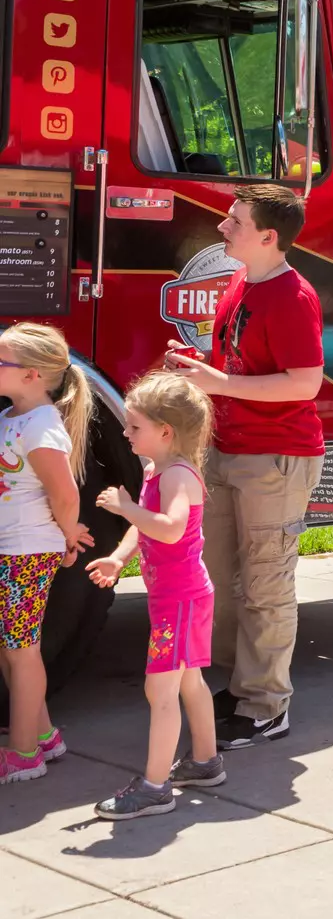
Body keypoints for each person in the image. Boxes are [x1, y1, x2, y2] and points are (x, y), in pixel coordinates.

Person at [165, 183, 326, 749]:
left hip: (275, 459)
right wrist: (197, 369)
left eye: (234, 221)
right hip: (230, 452)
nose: (221, 228)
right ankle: (241, 686)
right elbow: (237, 362)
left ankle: (266, 705)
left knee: (265, 584)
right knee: (222, 579)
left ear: (268, 236)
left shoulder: (293, 296)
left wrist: (221, 382)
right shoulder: (241, 282)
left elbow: (305, 382)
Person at [85, 373, 224, 818]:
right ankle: (205, 763)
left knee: (159, 690)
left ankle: (154, 787)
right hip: (181, 597)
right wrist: (118, 558)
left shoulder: (179, 476)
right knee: (189, 681)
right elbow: (143, 527)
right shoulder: (155, 470)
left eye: (134, 427)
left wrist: (127, 507)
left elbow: (170, 527)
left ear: (166, 431)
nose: (126, 434)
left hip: (181, 600)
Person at [0, 324, 93, 785]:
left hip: (26, 551)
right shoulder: (13, 417)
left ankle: (22, 754)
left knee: (21, 651)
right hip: (12, 550)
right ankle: (44, 737)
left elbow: (64, 494)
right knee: (11, 648)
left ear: (32, 375)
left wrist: (67, 537)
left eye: (2, 361)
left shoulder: (41, 426)